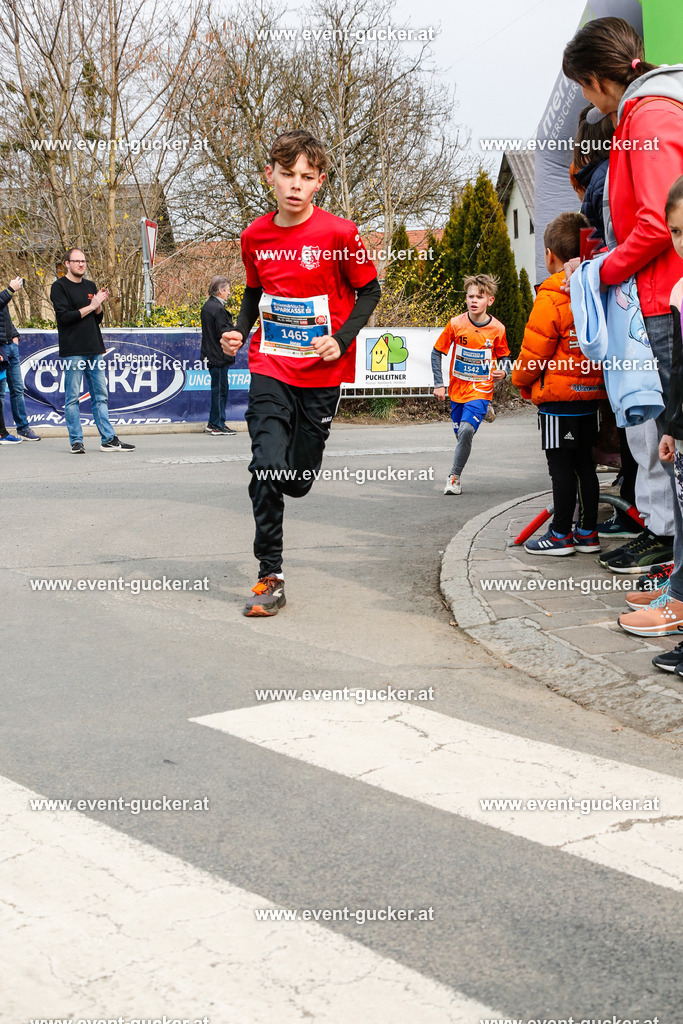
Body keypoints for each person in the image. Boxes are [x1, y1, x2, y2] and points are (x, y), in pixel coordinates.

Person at [220, 130, 381, 616]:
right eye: (286, 174)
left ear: (319, 183)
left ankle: (293, 475)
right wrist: (240, 330)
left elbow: (369, 292)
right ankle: (270, 574)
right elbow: (253, 292)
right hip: (271, 364)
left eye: (305, 177)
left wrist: (341, 337)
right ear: (269, 175)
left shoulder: (340, 234)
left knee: (297, 480)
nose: (294, 184)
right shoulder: (254, 236)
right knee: (266, 464)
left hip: (322, 373)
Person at [562, 16, 683, 591]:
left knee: (659, 423)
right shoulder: (643, 112)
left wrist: (603, 270)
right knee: (650, 422)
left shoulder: (652, 114)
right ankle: (662, 530)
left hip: (659, 296)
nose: (589, 102)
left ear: (596, 80)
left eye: (583, 89)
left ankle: (667, 541)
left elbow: (660, 220)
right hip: (652, 293)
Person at [512, 212, 607, 555]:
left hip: (557, 403)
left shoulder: (550, 296)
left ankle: (560, 535)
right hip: (590, 398)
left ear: (549, 255)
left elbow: (533, 353)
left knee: (560, 468)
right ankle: (588, 533)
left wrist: (520, 381)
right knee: (586, 465)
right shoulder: (595, 291)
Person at [621, 176, 683, 641]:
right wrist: (673, 427)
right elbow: (678, 369)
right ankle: (678, 595)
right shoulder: (678, 291)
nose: (680, 242)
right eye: (675, 232)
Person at [50, 249, 135, 454]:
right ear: (67, 263)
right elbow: (64, 318)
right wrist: (92, 305)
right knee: (72, 398)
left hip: (94, 349)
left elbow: (97, 319)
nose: (81, 264)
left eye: (83, 261)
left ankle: (108, 439)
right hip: (73, 351)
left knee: (100, 396)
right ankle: (76, 441)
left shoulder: (90, 286)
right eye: (76, 261)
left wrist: (99, 306)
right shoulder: (59, 287)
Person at [432, 274, 509, 495]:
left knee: (465, 431)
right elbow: (436, 352)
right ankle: (484, 412)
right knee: (461, 436)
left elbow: (504, 357)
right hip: (458, 392)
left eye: (480, 297)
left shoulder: (497, 329)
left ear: (490, 301)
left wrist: (504, 372)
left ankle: (454, 478)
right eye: (470, 296)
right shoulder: (456, 324)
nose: (474, 300)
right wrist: (439, 383)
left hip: (482, 389)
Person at [0, 277, 41, 441]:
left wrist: (15, 336)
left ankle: (23, 428)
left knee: (17, 389)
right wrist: (10, 290)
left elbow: (5, 319)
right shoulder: (5, 294)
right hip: (1, 349)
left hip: (11, 347)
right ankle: (2, 432)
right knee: (1, 394)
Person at [200, 276, 236, 436]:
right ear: (221, 291)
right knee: (221, 390)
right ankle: (217, 424)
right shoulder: (218, 309)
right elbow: (224, 332)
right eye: (227, 290)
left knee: (218, 389)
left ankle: (214, 422)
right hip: (219, 355)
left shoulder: (208, 306)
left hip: (212, 354)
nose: (229, 293)